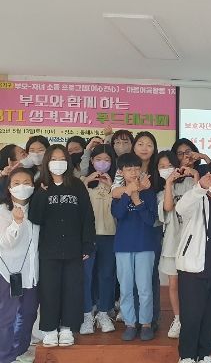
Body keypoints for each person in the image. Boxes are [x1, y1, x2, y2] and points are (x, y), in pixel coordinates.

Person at [29, 144, 95, 347]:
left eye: (62, 159)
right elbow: (35, 217)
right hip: (48, 249)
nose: (58, 163)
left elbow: (87, 216)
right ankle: (49, 329)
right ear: (47, 162)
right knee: (49, 290)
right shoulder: (39, 185)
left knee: (72, 289)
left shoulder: (76, 185)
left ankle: (67, 328)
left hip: (74, 248)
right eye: (53, 159)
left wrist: (87, 244)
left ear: (67, 161)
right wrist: (41, 194)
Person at [175, 161, 211, 363]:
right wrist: (199, 187)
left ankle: (204, 355)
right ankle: (187, 356)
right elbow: (181, 208)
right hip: (193, 268)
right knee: (191, 315)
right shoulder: (196, 197)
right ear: (207, 176)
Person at [111, 152, 157, 341]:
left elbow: (150, 220)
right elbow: (118, 214)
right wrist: (128, 193)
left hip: (145, 245)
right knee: (125, 288)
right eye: (129, 169)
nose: (133, 172)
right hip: (123, 246)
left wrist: (137, 198)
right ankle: (130, 323)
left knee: (145, 288)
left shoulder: (149, 193)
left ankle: (146, 324)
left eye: (137, 169)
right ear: (121, 172)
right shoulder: (118, 194)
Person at [156, 150, 197, 339]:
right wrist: (168, 184)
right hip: (172, 244)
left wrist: (194, 175)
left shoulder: (189, 183)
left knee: (191, 285)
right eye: (161, 167)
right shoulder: (161, 191)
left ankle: (191, 318)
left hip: (192, 243)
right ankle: (178, 318)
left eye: (169, 166)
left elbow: (200, 200)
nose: (166, 169)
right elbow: (168, 207)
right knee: (173, 284)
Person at [0, 168, 39, 363]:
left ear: (33, 186)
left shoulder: (38, 210)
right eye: (16, 183)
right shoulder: (2, 211)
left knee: (29, 313)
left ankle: (20, 352)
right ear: (9, 187)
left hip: (31, 272)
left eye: (27, 182)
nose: (22, 187)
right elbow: (5, 243)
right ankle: (5, 357)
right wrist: (16, 223)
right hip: (8, 272)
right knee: (6, 316)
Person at [79, 144, 118, 335]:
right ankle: (87, 314)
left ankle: (103, 313)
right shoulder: (82, 182)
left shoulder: (117, 183)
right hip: (88, 237)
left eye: (107, 160)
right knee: (86, 277)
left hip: (110, 236)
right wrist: (86, 182)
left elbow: (120, 209)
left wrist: (112, 187)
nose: (102, 163)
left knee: (106, 276)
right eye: (98, 159)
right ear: (92, 161)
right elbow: (77, 207)